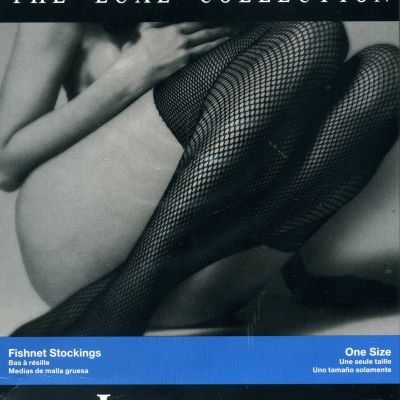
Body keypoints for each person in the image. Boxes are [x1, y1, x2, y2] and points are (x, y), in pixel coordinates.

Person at [0, 22, 398, 336]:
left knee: (386, 71)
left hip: (201, 290)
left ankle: (118, 300)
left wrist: (300, 277)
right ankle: (122, 299)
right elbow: (5, 164)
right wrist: (135, 71)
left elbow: (261, 137)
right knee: (312, 32)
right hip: (74, 242)